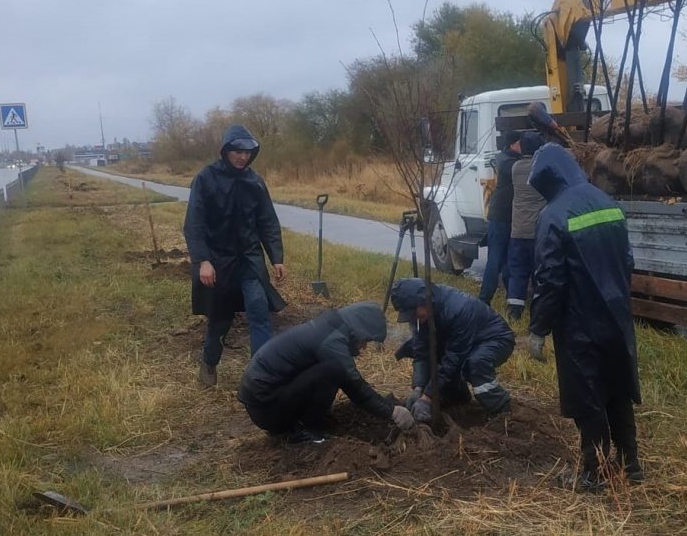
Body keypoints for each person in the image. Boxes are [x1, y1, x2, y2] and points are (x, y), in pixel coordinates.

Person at [526, 143, 642, 491]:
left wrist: (538, 329)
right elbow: (628, 263)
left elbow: (550, 280)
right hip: (616, 316)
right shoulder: (609, 203)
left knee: (587, 396)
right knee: (618, 389)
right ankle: (631, 464)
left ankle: (595, 473)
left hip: (578, 323)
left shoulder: (553, 216)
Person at [184, 125, 287, 387]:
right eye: (237, 151)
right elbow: (194, 224)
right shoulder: (206, 179)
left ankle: (260, 375)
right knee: (220, 319)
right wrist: (203, 261)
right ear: (226, 150)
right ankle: (209, 363)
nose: (242, 157)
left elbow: (267, 221)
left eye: (247, 152)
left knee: (259, 312)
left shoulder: (254, 181)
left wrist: (276, 257)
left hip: (250, 260)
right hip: (218, 262)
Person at [238, 302, 415, 444]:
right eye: (365, 340)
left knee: (332, 370)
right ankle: (305, 431)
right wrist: (392, 412)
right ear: (358, 330)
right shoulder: (331, 341)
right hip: (267, 410)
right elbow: (355, 387)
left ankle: (298, 422)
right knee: (334, 370)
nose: (363, 347)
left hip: (264, 402)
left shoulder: (328, 328)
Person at [390, 278, 515, 420]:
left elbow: (454, 358)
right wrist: (418, 387)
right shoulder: (422, 316)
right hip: (461, 341)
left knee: (475, 363)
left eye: (413, 313)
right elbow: (421, 352)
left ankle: (501, 410)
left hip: (494, 339)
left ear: (424, 301)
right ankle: (457, 396)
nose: (413, 319)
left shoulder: (459, 309)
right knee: (435, 354)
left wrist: (427, 397)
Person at [505, 131, 547, 319]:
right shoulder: (542, 168)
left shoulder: (515, 167)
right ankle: (539, 310)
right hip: (538, 232)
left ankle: (515, 311)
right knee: (540, 271)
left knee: (518, 271)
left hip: (518, 231)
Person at [478, 130, 520, 305]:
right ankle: (483, 300)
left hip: (509, 217)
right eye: (520, 143)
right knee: (495, 260)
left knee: (507, 261)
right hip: (500, 217)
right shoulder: (506, 162)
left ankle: (511, 299)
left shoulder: (506, 159)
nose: (522, 146)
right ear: (512, 145)